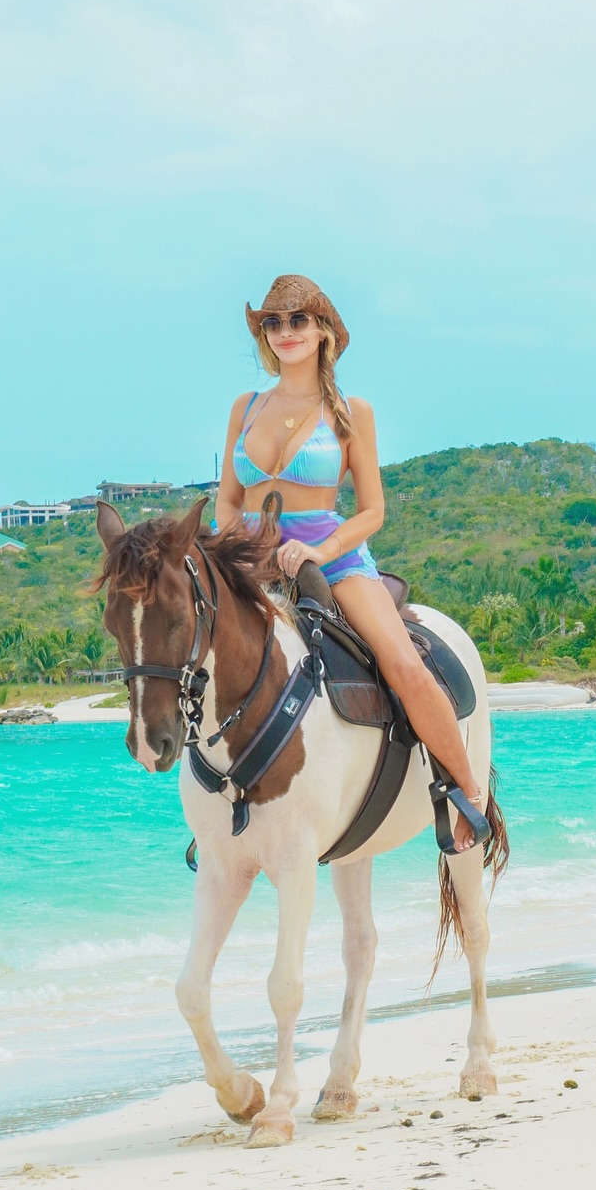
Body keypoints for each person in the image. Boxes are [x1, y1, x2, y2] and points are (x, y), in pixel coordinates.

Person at [215, 273, 490, 850]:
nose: (285, 332)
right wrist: (228, 553)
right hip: (253, 562)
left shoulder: (349, 412)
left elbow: (371, 511)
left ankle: (468, 792)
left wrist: (321, 549)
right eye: (274, 322)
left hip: (332, 560)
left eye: (298, 320)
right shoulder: (245, 407)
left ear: (322, 332)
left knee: (404, 665)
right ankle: (214, 807)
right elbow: (228, 500)